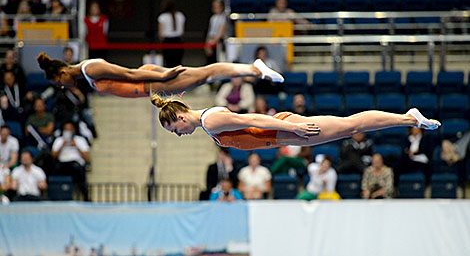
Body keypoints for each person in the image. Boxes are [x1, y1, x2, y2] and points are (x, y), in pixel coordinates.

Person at [151, 93, 441, 150]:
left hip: (289, 129)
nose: (179, 134)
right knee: (349, 125)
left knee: (352, 125)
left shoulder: (211, 121)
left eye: (174, 129)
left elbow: (253, 117)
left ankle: (409, 118)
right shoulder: (208, 125)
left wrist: (293, 128)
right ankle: (408, 119)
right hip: (286, 135)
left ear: (179, 116)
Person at [36, 52, 284, 98]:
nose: (62, 86)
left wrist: (163, 78)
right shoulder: (86, 74)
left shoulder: (90, 69)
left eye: (58, 81)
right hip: (151, 86)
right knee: (206, 75)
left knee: (207, 75)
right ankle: (253, 69)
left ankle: (254, 69)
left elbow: (130, 73)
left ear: (61, 72)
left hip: (149, 82)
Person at [51, 122, 89, 200]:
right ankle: (56, 195)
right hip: (62, 163)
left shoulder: (80, 140)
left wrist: (76, 146)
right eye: (66, 129)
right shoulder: (59, 140)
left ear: (74, 130)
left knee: (77, 169)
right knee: (55, 169)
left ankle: (85, 195)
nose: (68, 131)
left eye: (70, 129)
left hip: (76, 163)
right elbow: (53, 156)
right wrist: (62, 146)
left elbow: (87, 158)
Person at [158, 0, 185, 68]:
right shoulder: (180, 15)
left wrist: (162, 42)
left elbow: (161, 34)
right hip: (178, 41)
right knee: (178, 64)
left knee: (169, 65)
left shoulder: (162, 17)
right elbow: (182, 32)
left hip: (168, 42)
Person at [204, 0, 227, 64]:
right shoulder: (213, 18)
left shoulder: (224, 18)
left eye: (217, 6)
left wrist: (212, 43)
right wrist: (207, 44)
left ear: (221, 7)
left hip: (219, 42)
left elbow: (221, 32)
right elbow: (209, 32)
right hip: (212, 41)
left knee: (219, 60)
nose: (215, 8)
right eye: (213, 6)